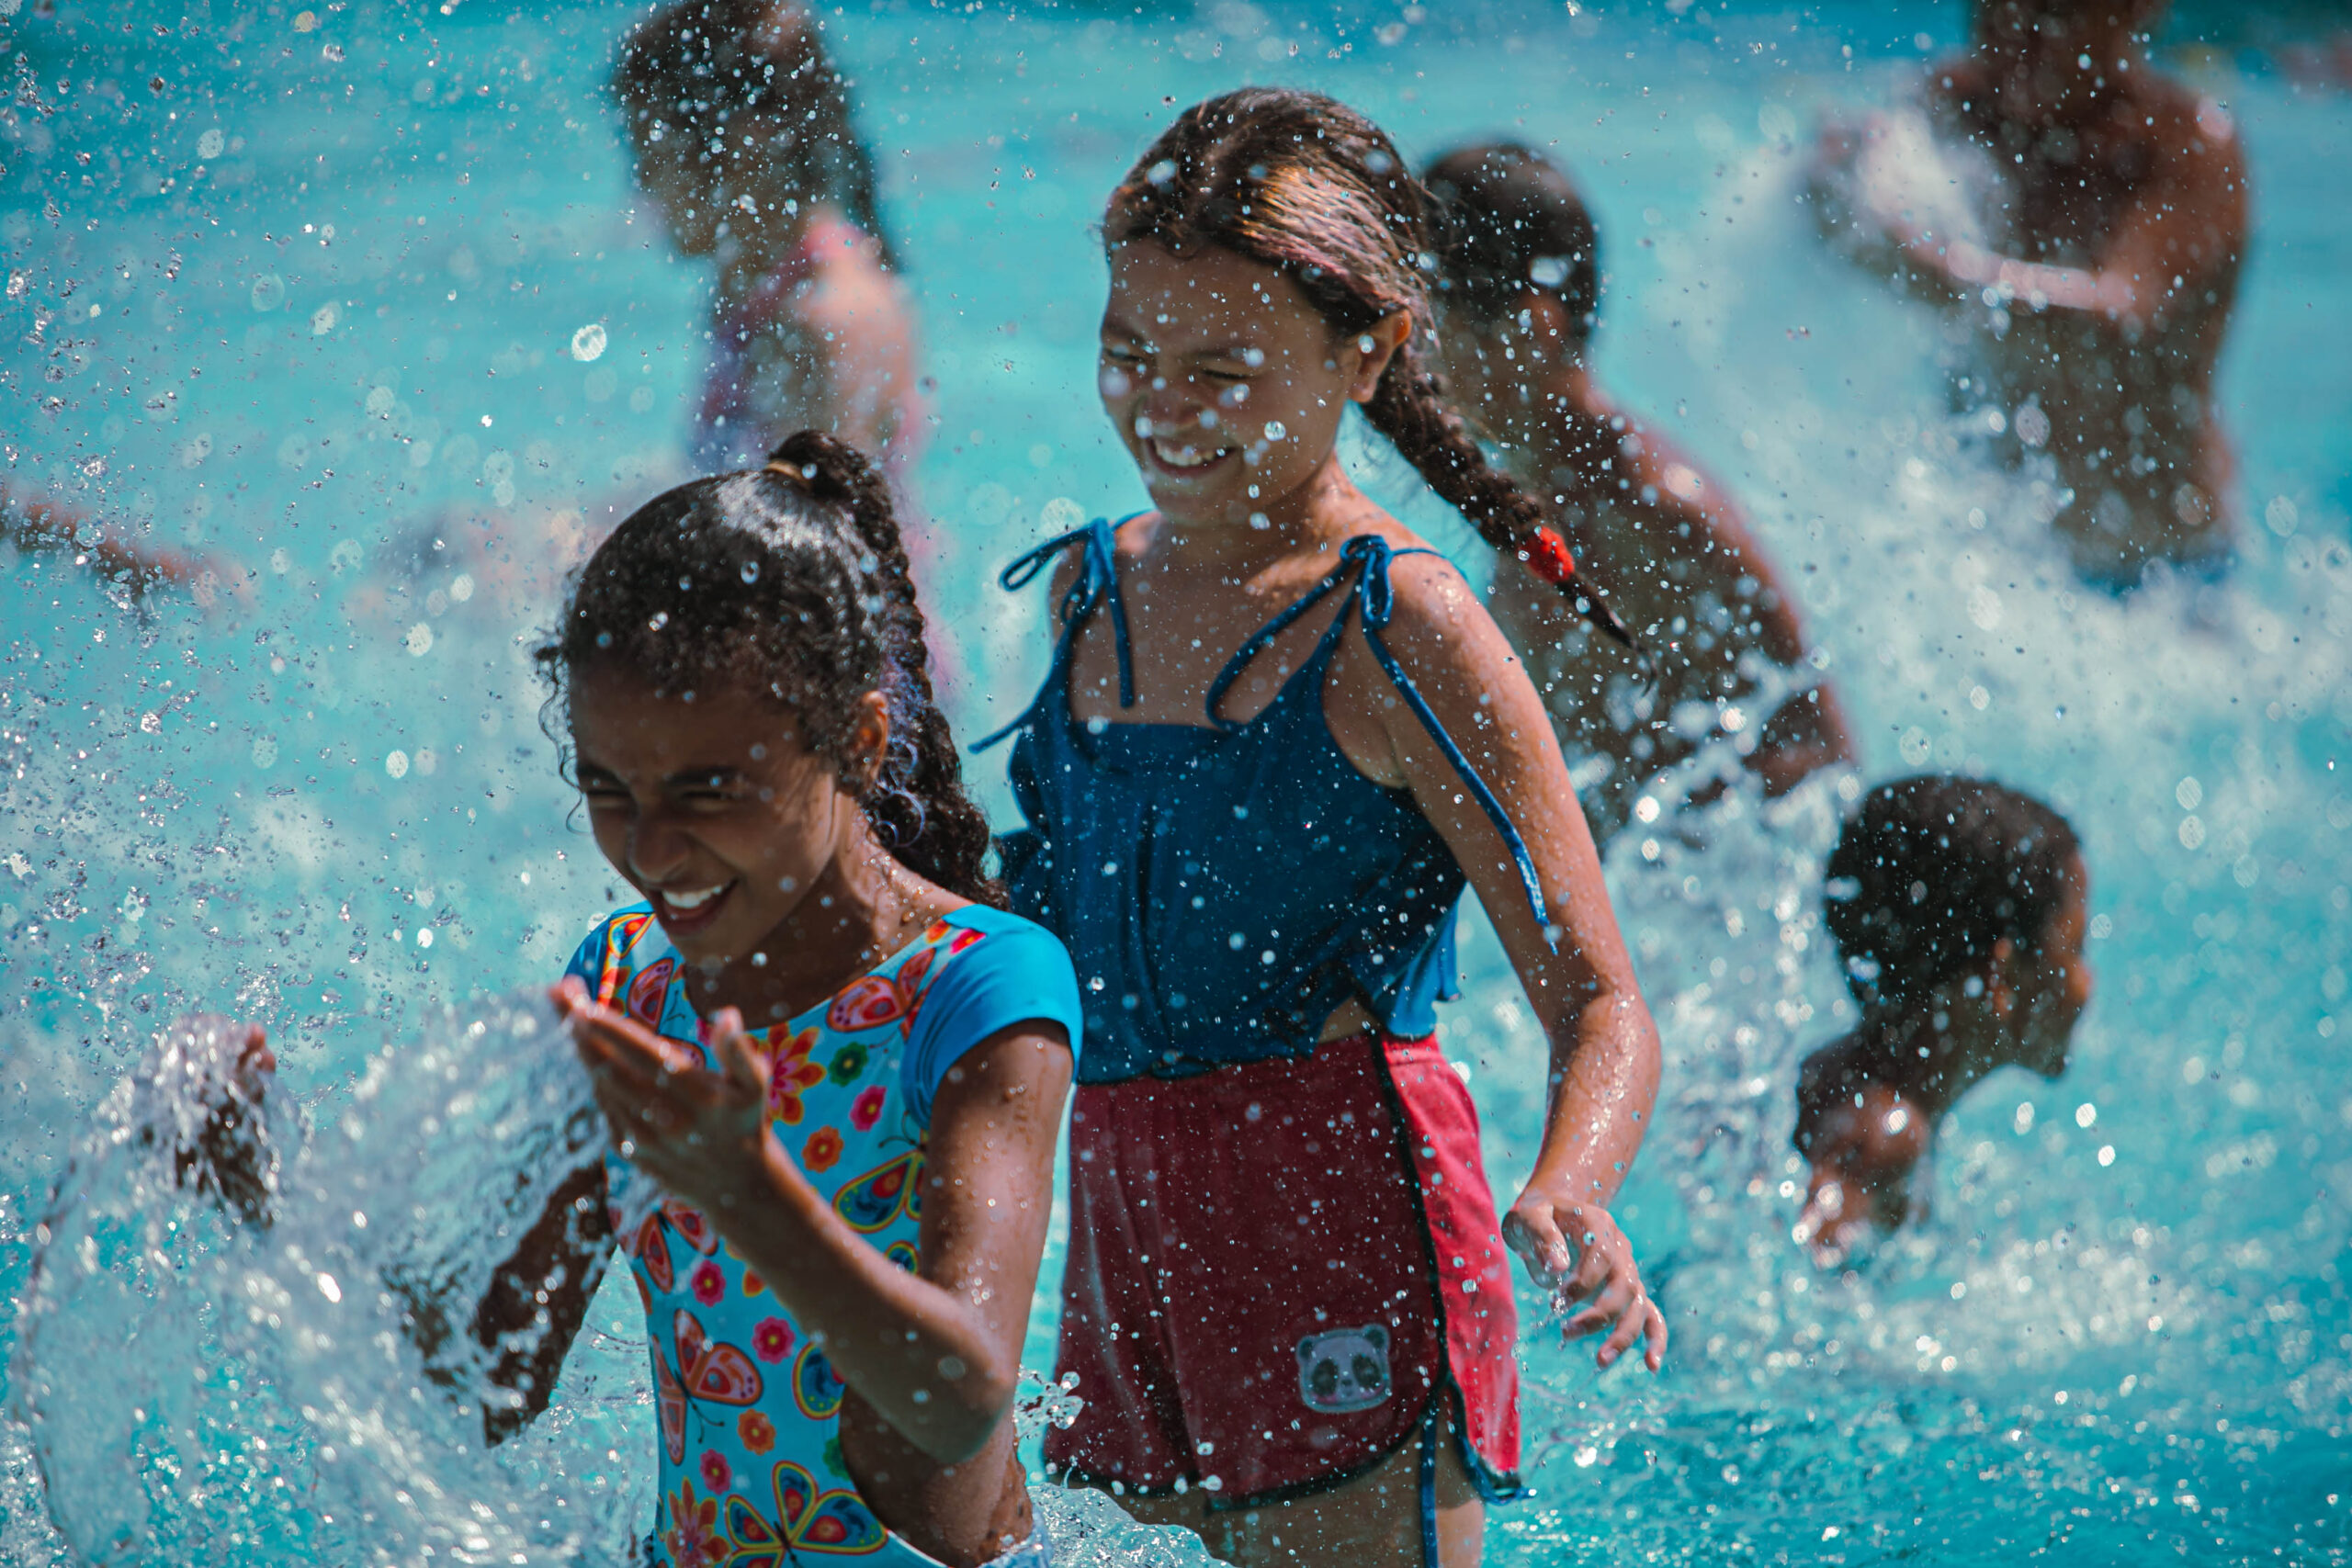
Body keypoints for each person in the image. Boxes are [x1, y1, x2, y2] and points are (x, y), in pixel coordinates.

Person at [161, 434, 1081, 1568]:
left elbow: (963, 1397)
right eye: (608, 788)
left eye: (708, 790)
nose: (651, 847)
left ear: (858, 740)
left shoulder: (980, 984)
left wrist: (748, 1194)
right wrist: (267, 1200)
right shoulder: (632, 983)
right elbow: (485, 1387)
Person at [978, 89, 1665, 1568]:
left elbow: (1601, 999)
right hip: (1124, 1223)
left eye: (1224, 366)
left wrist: (1569, 1193)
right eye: (1130, 354)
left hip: (1340, 1225)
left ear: (1367, 352)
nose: (1162, 403)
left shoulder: (1398, 623)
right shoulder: (1090, 592)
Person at [1423, 143, 1856, 846]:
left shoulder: (1654, 511)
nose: (1405, 360)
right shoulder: (1530, 485)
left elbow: (1826, 756)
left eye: (1429, 329)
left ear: (1532, 329)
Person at [1810, 0, 2248, 589]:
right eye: (1993, 9)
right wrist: (1838, 184)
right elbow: (1838, 180)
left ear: (2137, 11)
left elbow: (2121, 322)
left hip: (2158, 570)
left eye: (2054, 12)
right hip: (1989, 558)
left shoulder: (2185, 147)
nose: (2018, 35)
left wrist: (1928, 266)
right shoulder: (1950, 105)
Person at [615, 0, 924, 480]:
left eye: (650, 153)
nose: (640, 185)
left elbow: (832, 539)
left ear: (740, 143)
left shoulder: (823, 317)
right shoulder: (755, 283)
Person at [1792, 775, 2091, 1262]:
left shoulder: (1857, 1084)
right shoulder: (1884, 1138)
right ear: (2003, 973)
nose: (2087, 982)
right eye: (2076, 948)